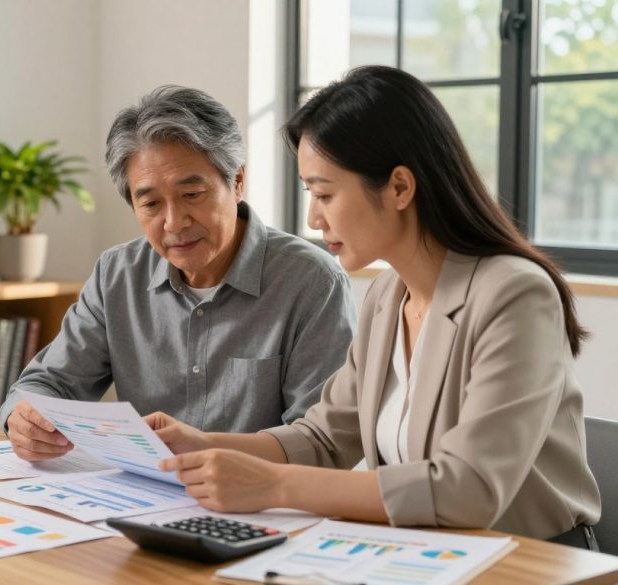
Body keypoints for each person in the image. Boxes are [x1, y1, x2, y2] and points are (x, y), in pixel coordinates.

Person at [150, 66, 601, 546]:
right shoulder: (388, 296)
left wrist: (275, 485)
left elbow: (470, 489)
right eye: (310, 194)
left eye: (324, 193)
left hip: (532, 562)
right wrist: (203, 444)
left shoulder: (515, 294)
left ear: (400, 187)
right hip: (432, 553)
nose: (313, 217)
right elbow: (325, 440)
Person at [1, 85, 357, 461]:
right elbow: (49, 381)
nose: (174, 223)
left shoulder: (312, 282)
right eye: (151, 203)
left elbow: (321, 443)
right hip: (142, 497)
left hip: (262, 504)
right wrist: (24, 418)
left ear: (236, 182)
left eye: (192, 195)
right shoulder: (117, 274)